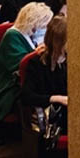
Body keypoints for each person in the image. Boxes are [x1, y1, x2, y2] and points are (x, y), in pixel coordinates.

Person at [0, 2, 54, 124]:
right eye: (43, 25)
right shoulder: (12, 36)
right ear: (33, 23)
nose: (45, 29)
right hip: (11, 83)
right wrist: (36, 53)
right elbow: (21, 65)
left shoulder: (35, 35)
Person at [22, 14, 69, 148]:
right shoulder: (37, 63)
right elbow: (27, 96)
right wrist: (56, 98)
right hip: (54, 115)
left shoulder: (73, 59)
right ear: (58, 41)